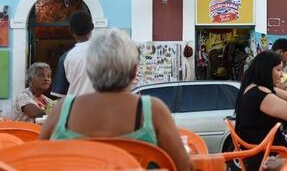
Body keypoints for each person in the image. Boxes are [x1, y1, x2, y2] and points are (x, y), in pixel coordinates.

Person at [39, 29, 192, 170]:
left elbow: (36, 162)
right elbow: (184, 167)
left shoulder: (62, 111)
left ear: (90, 70)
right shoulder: (152, 111)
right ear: (133, 72)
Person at [235, 51, 287, 170]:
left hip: (264, 152)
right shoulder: (258, 93)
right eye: (278, 70)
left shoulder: (256, 88)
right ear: (266, 70)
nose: (281, 75)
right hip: (267, 156)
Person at [59, 11, 95, 96]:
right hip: (104, 107)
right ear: (92, 27)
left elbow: (61, 95)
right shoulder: (108, 53)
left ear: (70, 30)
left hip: (76, 107)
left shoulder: (66, 57)